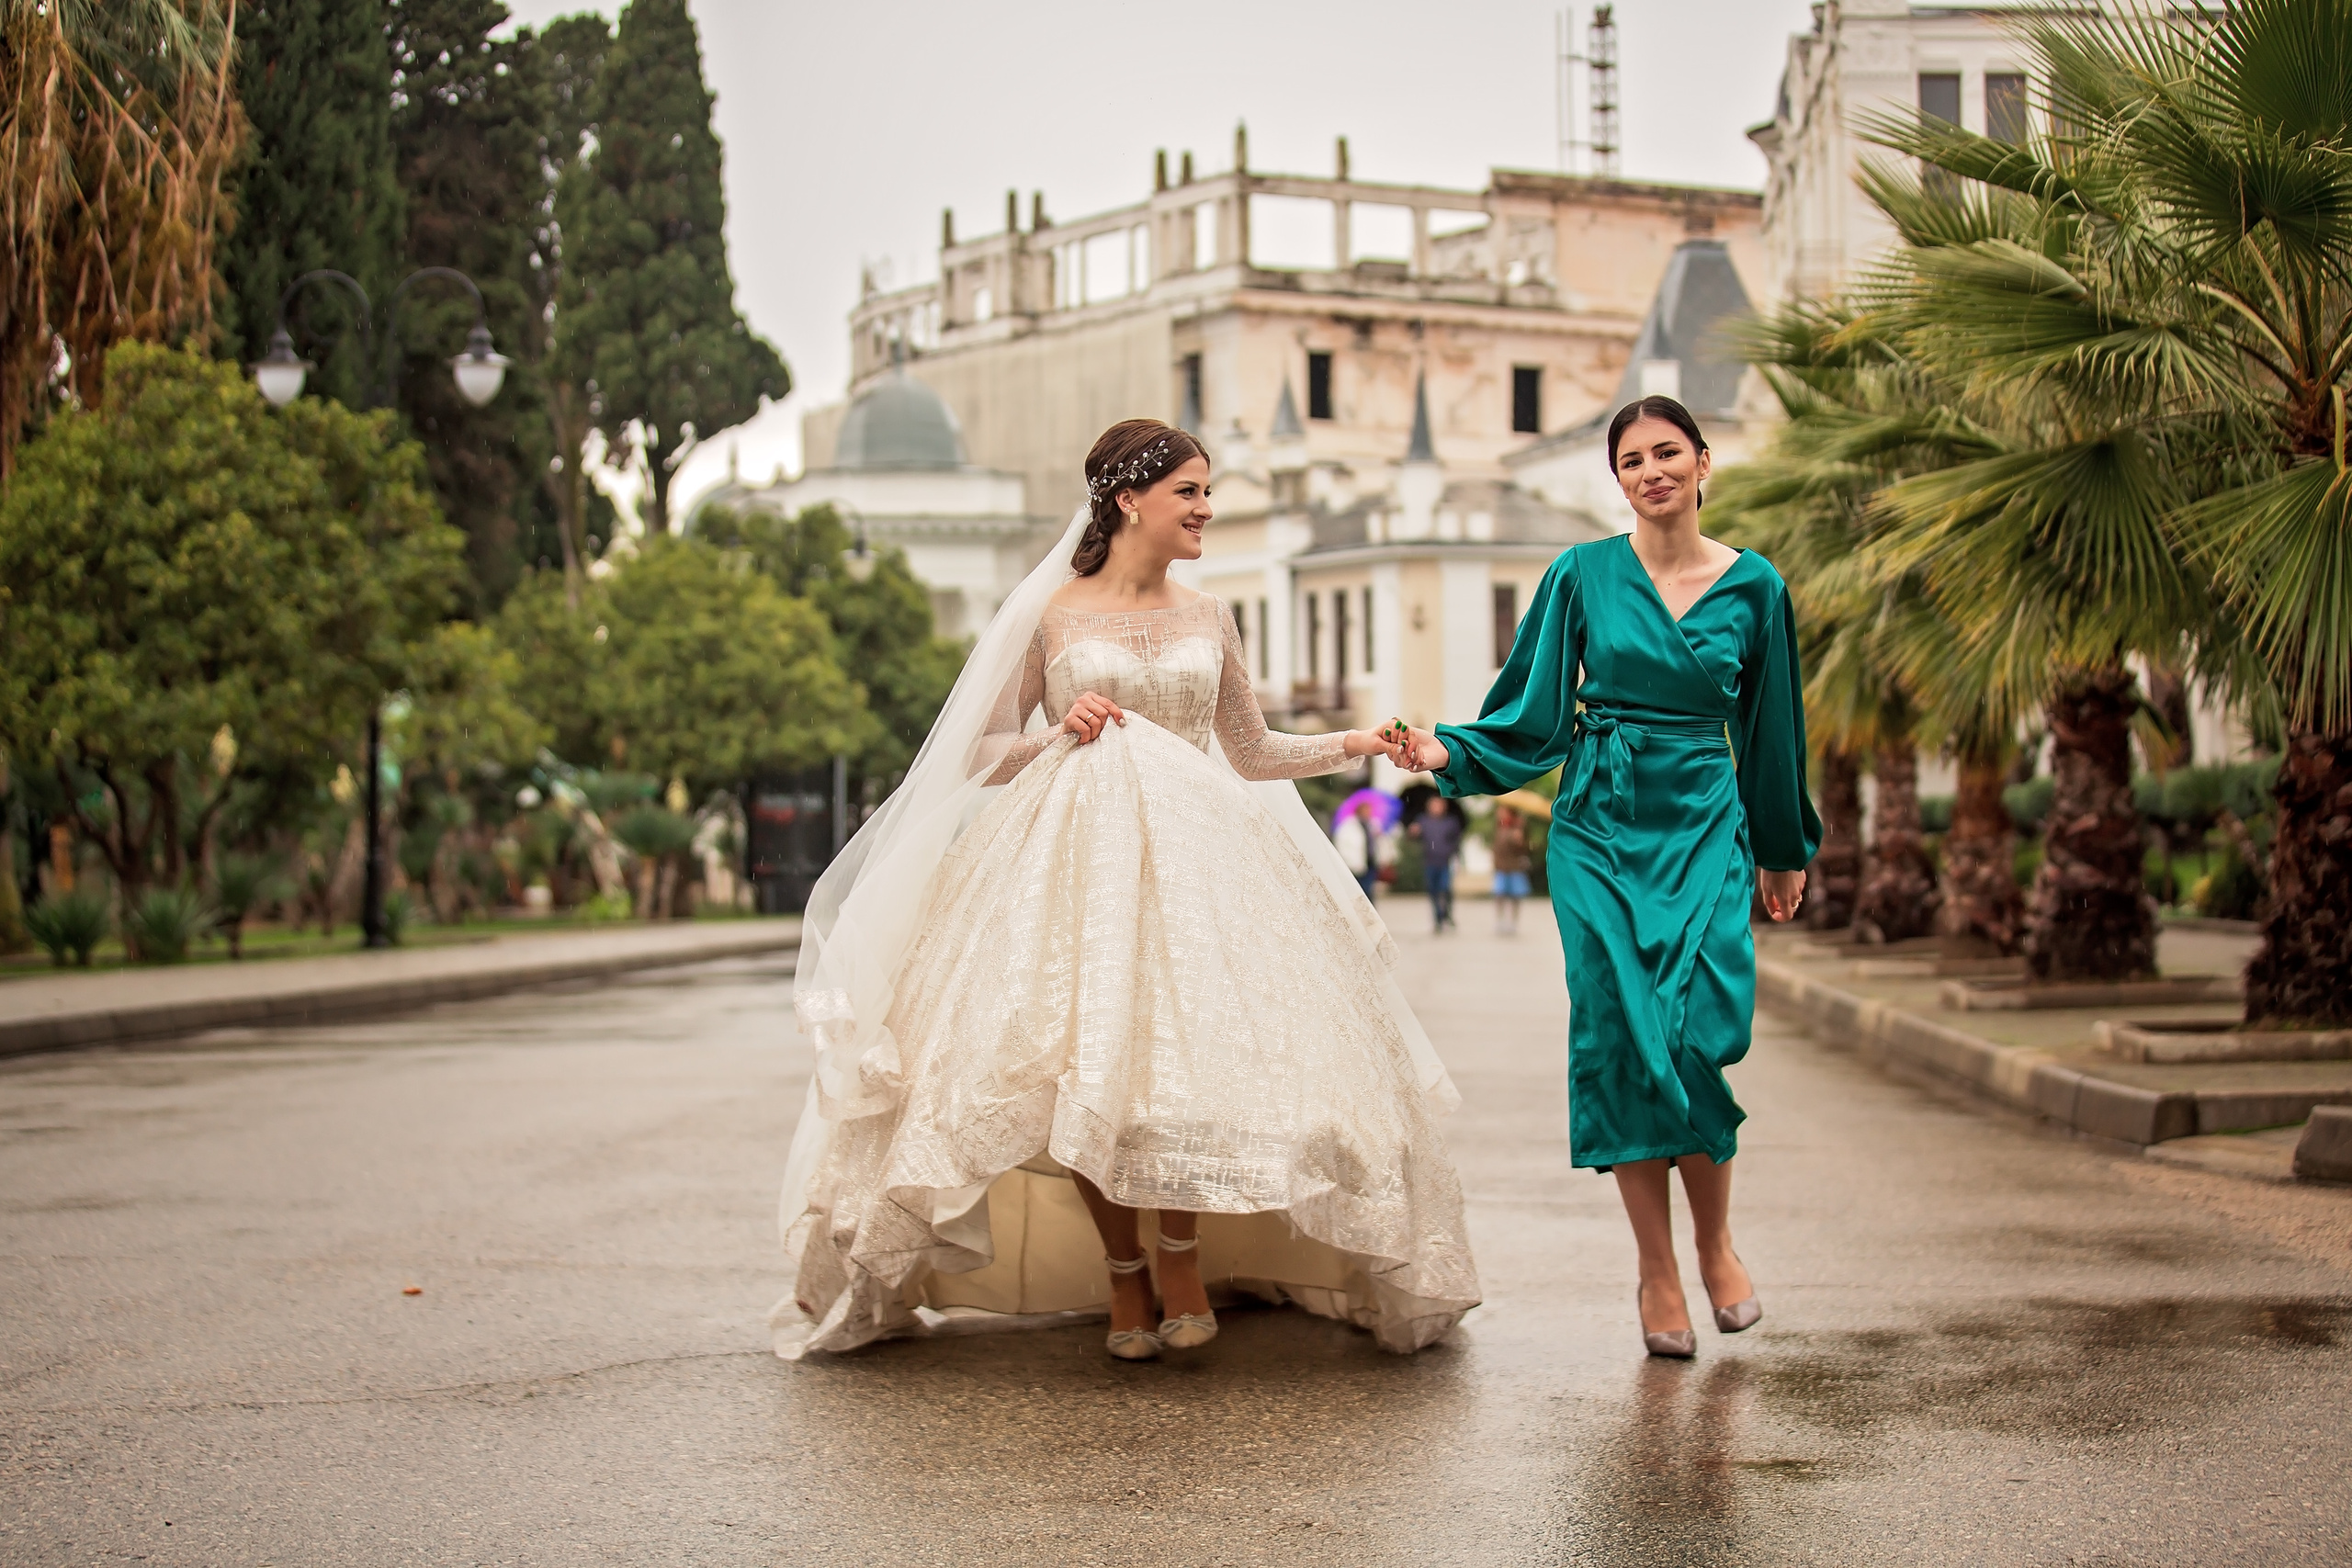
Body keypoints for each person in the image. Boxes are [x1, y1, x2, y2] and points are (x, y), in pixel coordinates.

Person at [775, 419, 1479, 1364]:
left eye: (1208, 490)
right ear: (1128, 500)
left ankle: (1181, 1255)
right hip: (1072, 863)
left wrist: (1354, 744)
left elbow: (1250, 750)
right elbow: (982, 751)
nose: (1206, 508)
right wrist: (1057, 728)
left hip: (1201, 866)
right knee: (1081, 1064)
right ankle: (1123, 1269)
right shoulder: (1051, 614)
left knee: (1187, 1060)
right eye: (1190, 490)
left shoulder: (1209, 616)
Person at [1391, 394, 1819, 1359]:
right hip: (1599, 826)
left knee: (1697, 1032)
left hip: (1703, 820)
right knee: (1624, 1037)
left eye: (1667, 453)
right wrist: (1448, 749)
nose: (1651, 472)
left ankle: (1714, 1243)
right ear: (1617, 480)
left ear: (1703, 463)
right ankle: (1657, 1271)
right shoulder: (1580, 574)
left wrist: (1782, 848)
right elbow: (1533, 712)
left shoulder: (1755, 586)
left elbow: (1772, 729)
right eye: (1631, 461)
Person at [1413, 796, 1462, 932]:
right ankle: (1437, 918)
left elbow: (1456, 840)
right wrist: (1414, 833)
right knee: (1433, 891)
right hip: (1430, 861)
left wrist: (1454, 855)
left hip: (1445, 861)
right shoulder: (1423, 821)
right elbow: (1415, 839)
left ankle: (1447, 913)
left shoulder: (1451, 822)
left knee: (1445, 889)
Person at [1490, 805, 1532, 936]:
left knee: (1516, 896)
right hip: (1501, 867)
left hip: (1514, 867)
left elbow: (1525, 848)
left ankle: (1513, 922)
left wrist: (1520, 837)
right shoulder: (1499, 827)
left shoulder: (1518, 828)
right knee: (1499, 895)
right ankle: (1500, 920)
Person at [1334, 799, 1380, 903]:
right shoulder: (1348, 826)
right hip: (1356, 863)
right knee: (1360, 889)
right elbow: (1343, 845)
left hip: (1370, 861)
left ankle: (1368, 909)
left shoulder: (1372, 824)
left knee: (1369, 889)